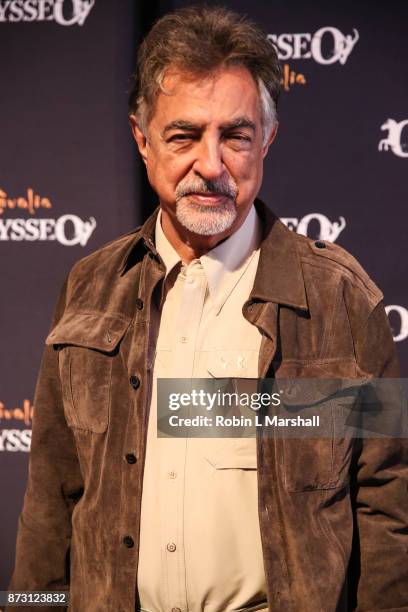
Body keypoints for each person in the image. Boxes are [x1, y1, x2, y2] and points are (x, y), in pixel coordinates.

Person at [7, 6, 408, 612]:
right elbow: (50, 501)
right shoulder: (90, 285)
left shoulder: (340, 299)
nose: (211, 165)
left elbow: (386, 503)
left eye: (236, 135)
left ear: (267, 139)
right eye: (184, 135)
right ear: (143, 140)